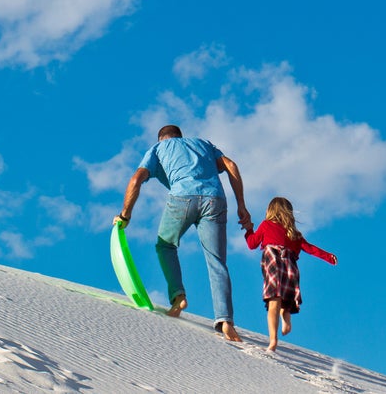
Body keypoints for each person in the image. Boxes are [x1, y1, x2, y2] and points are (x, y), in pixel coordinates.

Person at [113, 125, 251, 342]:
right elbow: (231, 165)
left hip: (182, 197)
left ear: (162, 139)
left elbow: (135, 179)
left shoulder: (158, 149)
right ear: (181, 136)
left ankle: (178, 296)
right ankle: (226, 321)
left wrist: (125, 215)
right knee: (217, 261)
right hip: (215, 200)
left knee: (165, 245)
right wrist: (241, 205)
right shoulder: (203, 144)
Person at [244, 197, 338, 352]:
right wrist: (328, 257)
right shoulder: (294, 234)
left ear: (270, 210)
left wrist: (249, 230)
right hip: (289, 268)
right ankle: (286, 318)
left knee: (273, 302)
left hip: (273, 264)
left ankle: (273, 340)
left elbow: (252, 244)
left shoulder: (266, 225)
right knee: (286, 302)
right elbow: (310, 248)